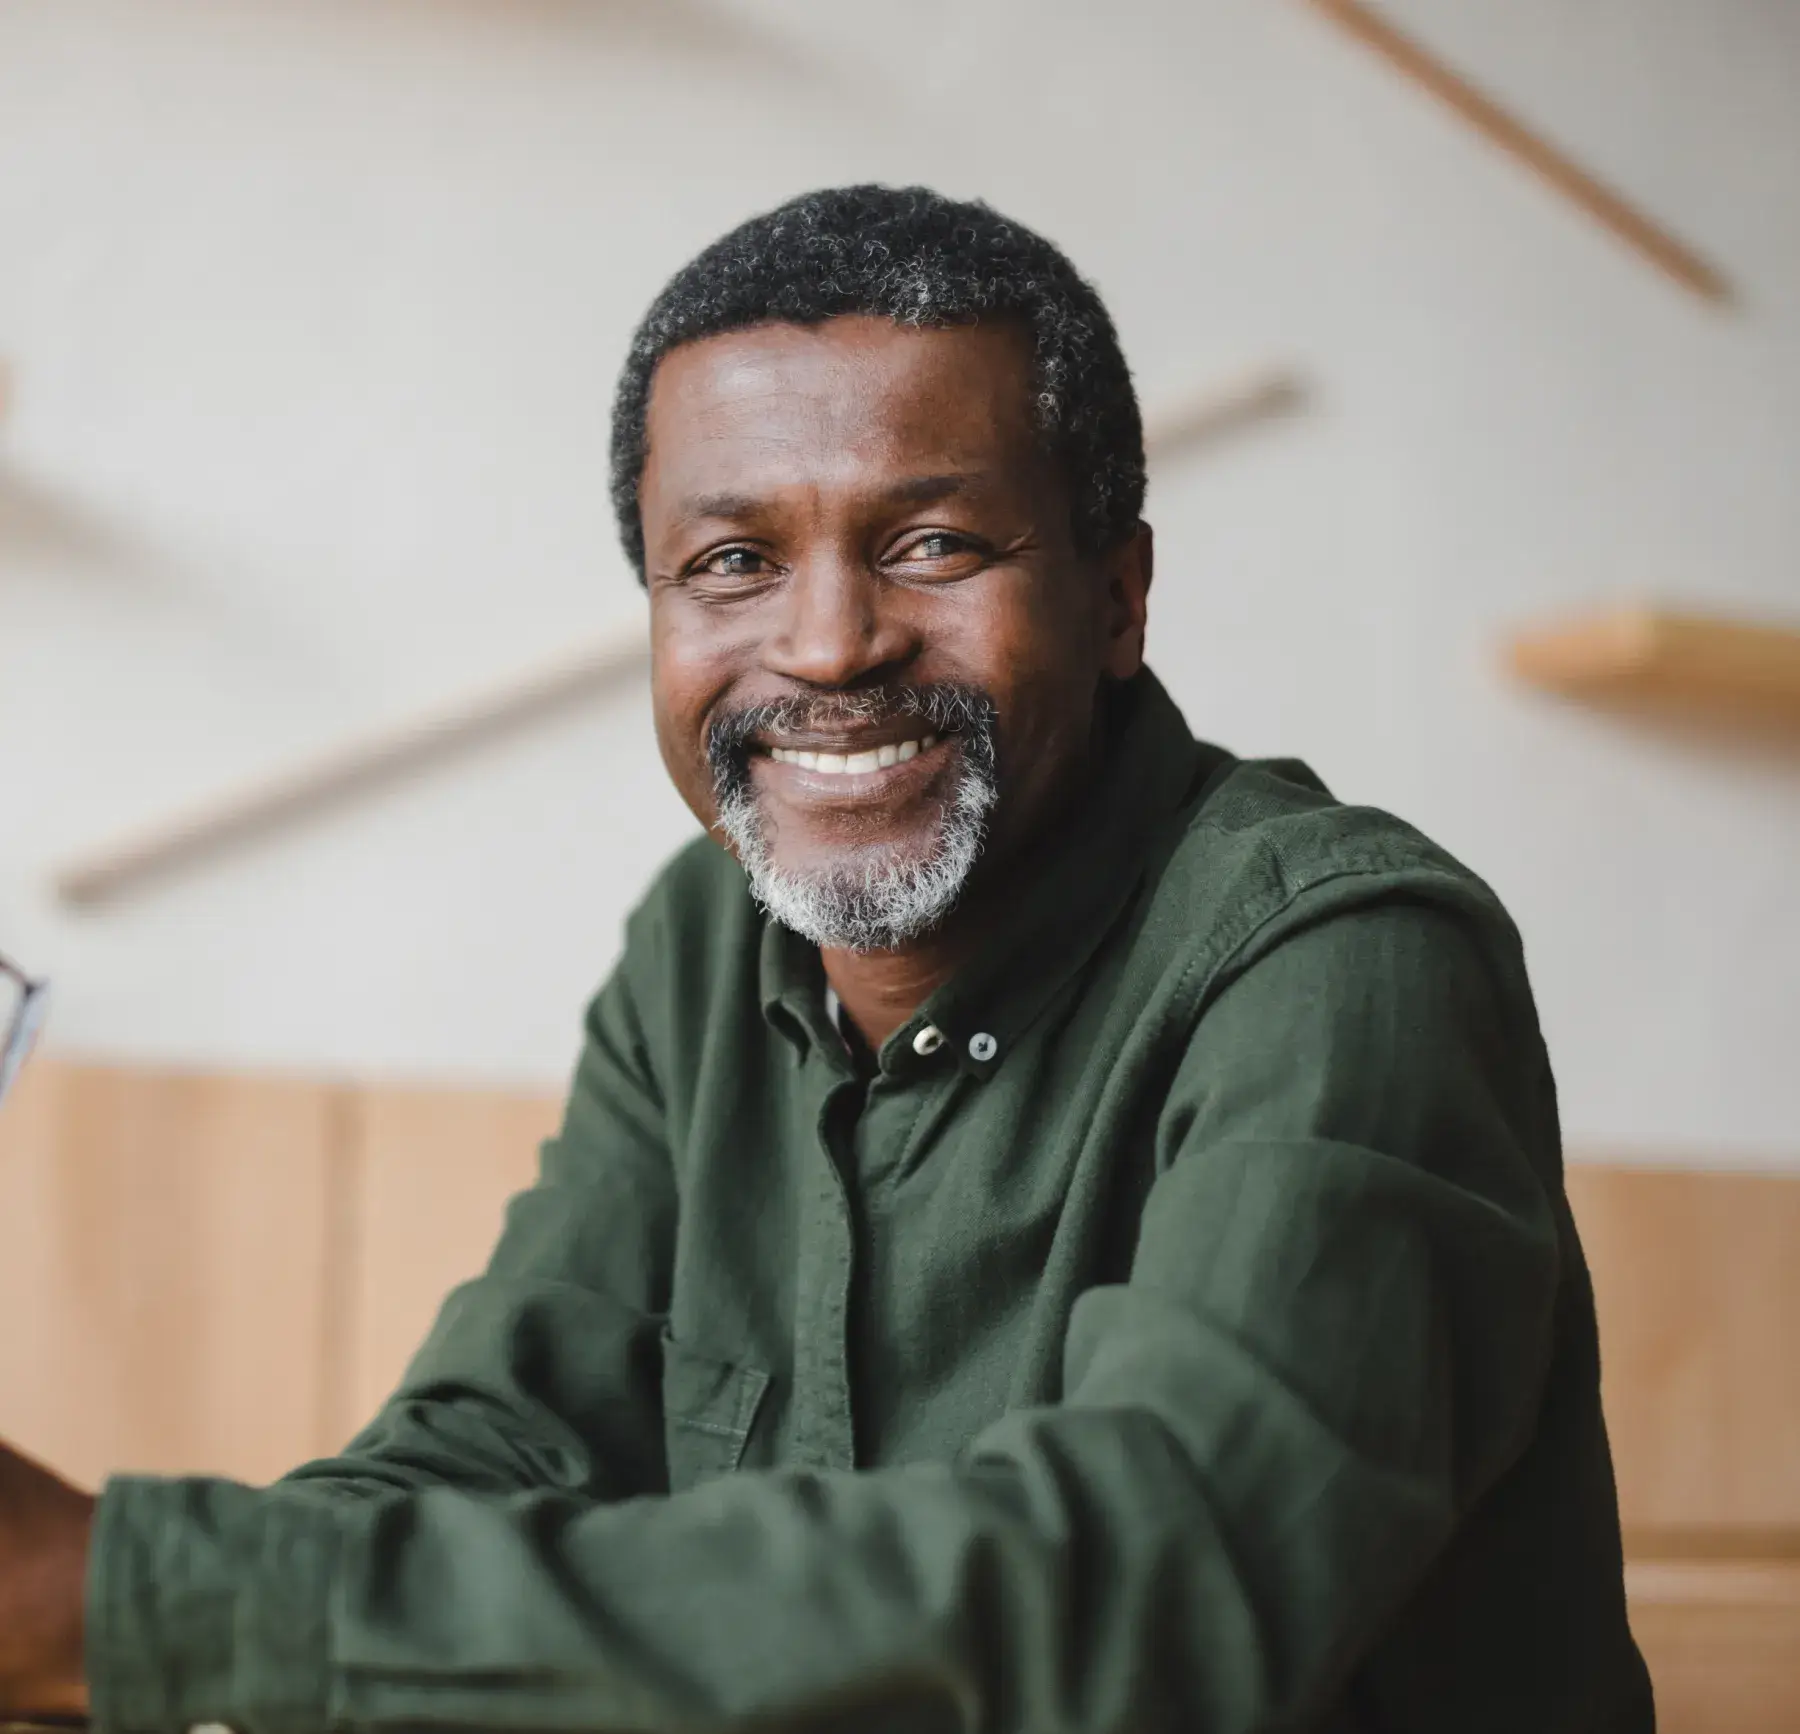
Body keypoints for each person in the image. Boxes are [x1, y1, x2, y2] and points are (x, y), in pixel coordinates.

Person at [0, 185, 1651, 1733]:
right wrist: (128, 1635)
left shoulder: (1345, 960)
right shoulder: (707, 939)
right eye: (731, 562)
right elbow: (498, 1433)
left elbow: (1146, 1588)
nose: (826, 645)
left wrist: (128, 1598)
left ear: (1120, 594)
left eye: (931, 543)